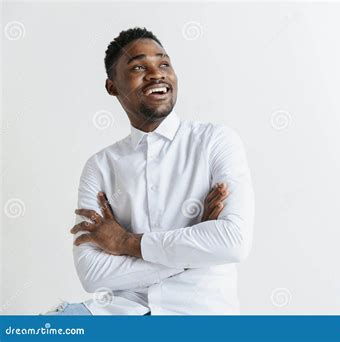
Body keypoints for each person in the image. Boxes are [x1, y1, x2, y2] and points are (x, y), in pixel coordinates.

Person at [46, 27, 254, 315]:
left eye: (164, 63)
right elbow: (92, 274)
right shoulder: (100, 166)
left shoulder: (216, 142)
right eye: (139, 66)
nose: (157, 74)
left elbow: (233, 242)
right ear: (112, 86)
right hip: (120, 312)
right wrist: (194, 249)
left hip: (201, 315)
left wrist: (125, 242)